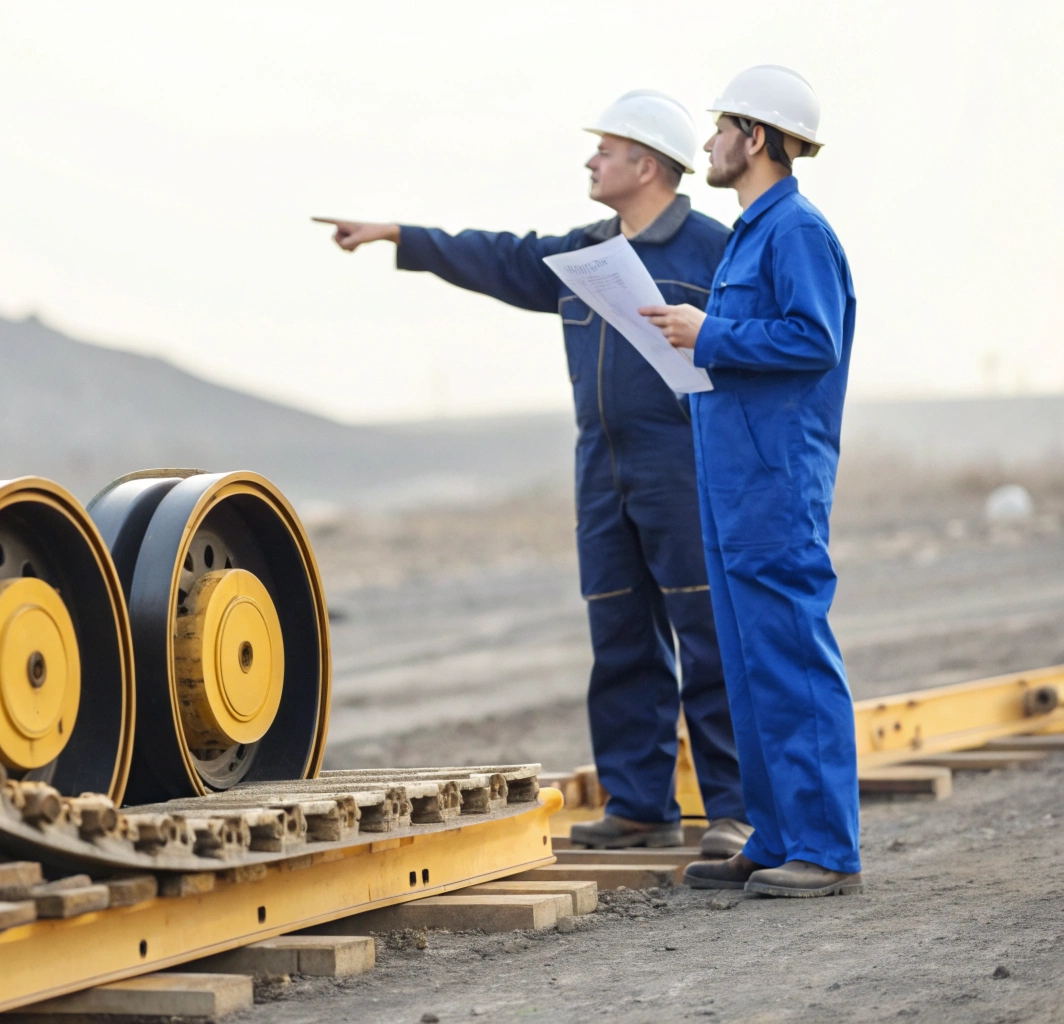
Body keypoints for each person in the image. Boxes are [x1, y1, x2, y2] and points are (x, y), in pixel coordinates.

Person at [315, 91, 751, 855]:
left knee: (707, 636)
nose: (590, 160)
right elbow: (499, 256)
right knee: (620, 637)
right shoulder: (586, 254)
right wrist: (399, 236)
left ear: (645, 165)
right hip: (602, 471)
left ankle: (736, 811)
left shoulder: (718, 252)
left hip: (684, 469)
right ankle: (640, 805)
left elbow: (759, 348)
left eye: (605, 150)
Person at [641, 66, 862, 897]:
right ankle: (776, 838)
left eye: (719, 129)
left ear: (756, 137)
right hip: (732, 482)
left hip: (775, 484)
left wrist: (712, 333)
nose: (707, 145)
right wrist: (697, 341)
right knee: (748, 667)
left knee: (792, 662)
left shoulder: (796, 231)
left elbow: (813, 340)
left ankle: (828, 852)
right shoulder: (750, 233)